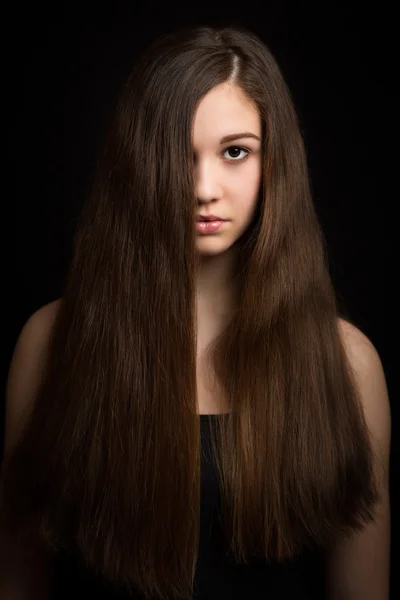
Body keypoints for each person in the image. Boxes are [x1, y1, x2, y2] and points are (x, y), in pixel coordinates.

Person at [0, 23, 391, 600]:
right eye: (176, 154)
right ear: (136, 161)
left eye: (236, 152)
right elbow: (20, 579)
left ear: (273, 162)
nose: (204, 187)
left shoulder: (347, 364)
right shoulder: (51, 343)